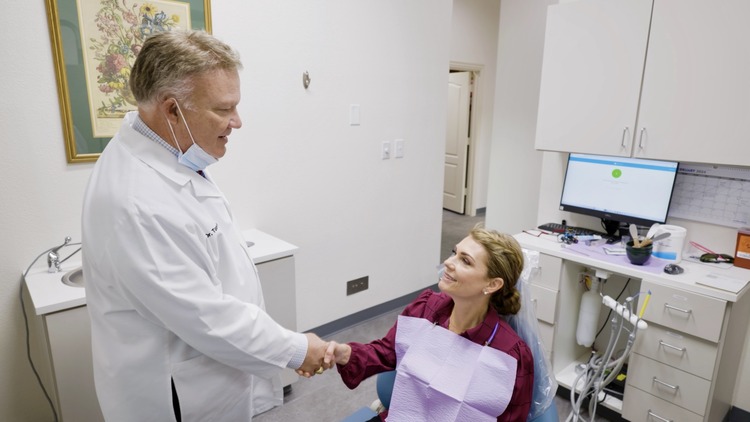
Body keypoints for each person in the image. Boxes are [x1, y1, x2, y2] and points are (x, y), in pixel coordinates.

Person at [81, 30, 331, 422]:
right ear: (171, 110)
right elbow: (206, 317)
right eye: (223, 109)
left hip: (207, 372)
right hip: (178, 394)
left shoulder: (168, 153)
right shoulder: (137, 203)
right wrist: (297, 349)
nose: (237, 122)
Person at [327, 226, 534, 421]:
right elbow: (386, 352)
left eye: (465, 261)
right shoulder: (427, 309)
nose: (448, 262)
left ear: (492, 284)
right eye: (455, 252)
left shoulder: (510, 355)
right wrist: (343, 353)